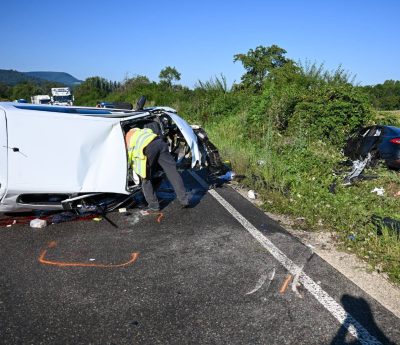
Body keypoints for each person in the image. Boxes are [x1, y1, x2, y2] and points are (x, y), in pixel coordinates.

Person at [125, 127, 189, 211]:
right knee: (172, 172)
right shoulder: (139, 130)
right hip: (160, 142)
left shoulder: (126, 137)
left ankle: (154, 205)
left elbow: (130, 155)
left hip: (148, 148)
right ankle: (184, 200)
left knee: (145, 178)